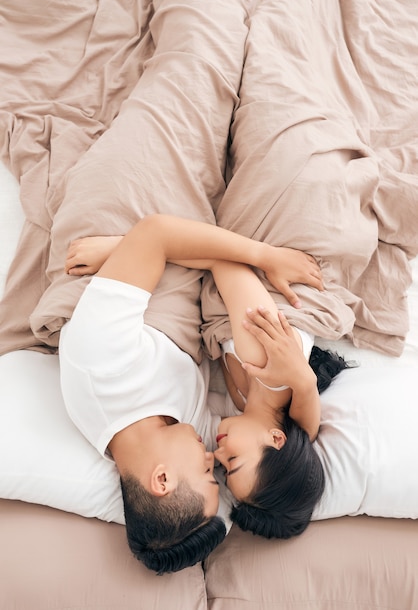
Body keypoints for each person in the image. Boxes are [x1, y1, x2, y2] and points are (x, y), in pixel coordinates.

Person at [61, 213, 322, 573]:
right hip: (193, 248)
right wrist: (305, 384)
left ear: (162, 479)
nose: (212, 456)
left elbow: (154, 234)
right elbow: (294, 443)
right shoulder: (178, 439)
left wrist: (120, 250)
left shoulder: (102, 367)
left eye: (209, 472)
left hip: (151, 234)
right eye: (218, 469)